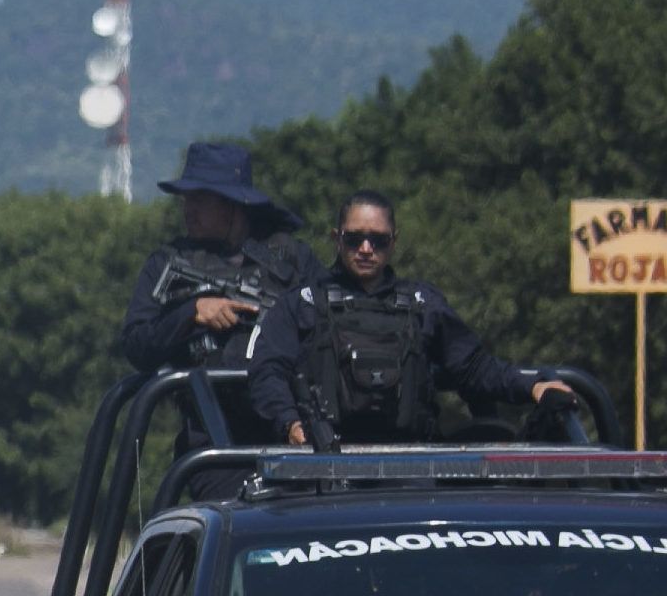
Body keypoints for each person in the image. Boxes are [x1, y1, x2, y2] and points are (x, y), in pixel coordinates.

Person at [247, 191, 579, 449]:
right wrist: (290, 424)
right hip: (324, 465)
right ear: (336, 238)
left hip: (412, 469)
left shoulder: (424, 305)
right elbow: (267, 373)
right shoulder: (300, 305)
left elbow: (474, 367)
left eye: (378, 240)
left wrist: (533, 386)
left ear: (394, 243)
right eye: (354, 239)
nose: (365, 248)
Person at [118, 141, 319, 381]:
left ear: (233, 203)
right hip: (209, 410)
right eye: (186, 199)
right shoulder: (167, 262)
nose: (188, 210)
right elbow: (136, 347)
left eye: (200, 200)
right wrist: (190, 314)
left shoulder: (292, 258)